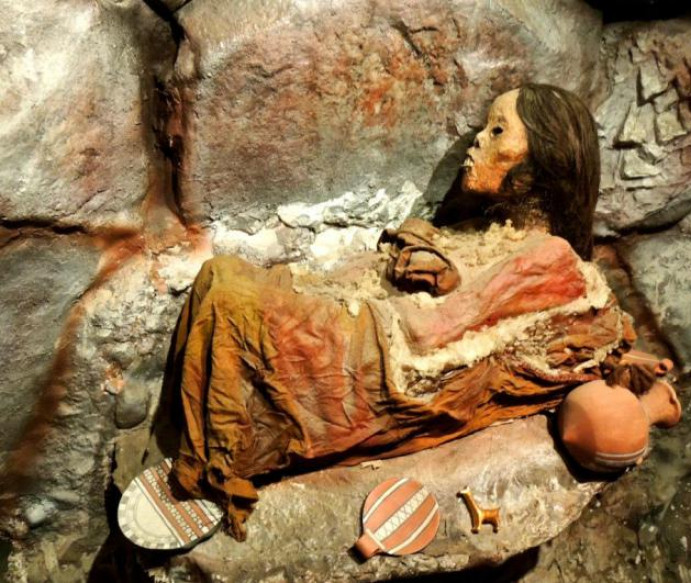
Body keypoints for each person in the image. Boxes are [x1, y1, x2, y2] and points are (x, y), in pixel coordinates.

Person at [159, 84, 642, 541]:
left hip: (398, 363)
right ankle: (206, 435)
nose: (478, 140)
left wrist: (400, 291)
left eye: (498, 131)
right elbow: (439, 283)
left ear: (539, 166)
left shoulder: (549, 257)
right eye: (485, 127)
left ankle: (223, 456)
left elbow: (440, 336)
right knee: (221, 275)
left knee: (233, 305)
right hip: (385, 327)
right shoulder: (486, 228)